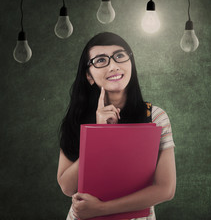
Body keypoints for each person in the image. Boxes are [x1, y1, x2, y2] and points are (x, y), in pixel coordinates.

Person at [57, 32, 176, 220]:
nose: (113, 66)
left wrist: (101, 209)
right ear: (89, 75)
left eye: (120, 56)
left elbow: (166, 189)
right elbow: (67, 186)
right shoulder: (76, 118)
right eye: (101, 60)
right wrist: (99, 133)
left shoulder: (155, 117)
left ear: (131, 63)